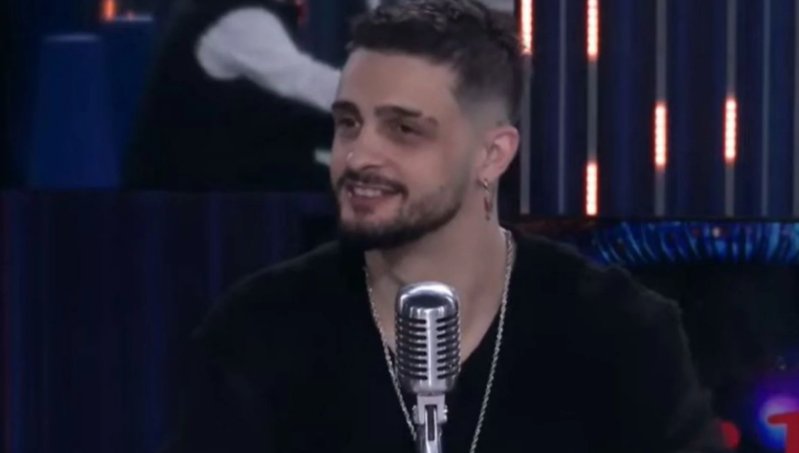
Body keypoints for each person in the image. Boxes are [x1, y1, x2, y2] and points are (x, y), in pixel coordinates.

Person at [166, 1, 728, 452]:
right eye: (348, 123)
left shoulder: (619, 332)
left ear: (492, 154)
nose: (358, 156)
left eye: (404, 130)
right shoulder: (260, 328)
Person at [125, 0, 367, 190]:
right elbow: (312, 85)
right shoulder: (240, 19)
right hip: (188, 199)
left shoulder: (250, 13)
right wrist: (385, 92)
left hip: (224, 178)